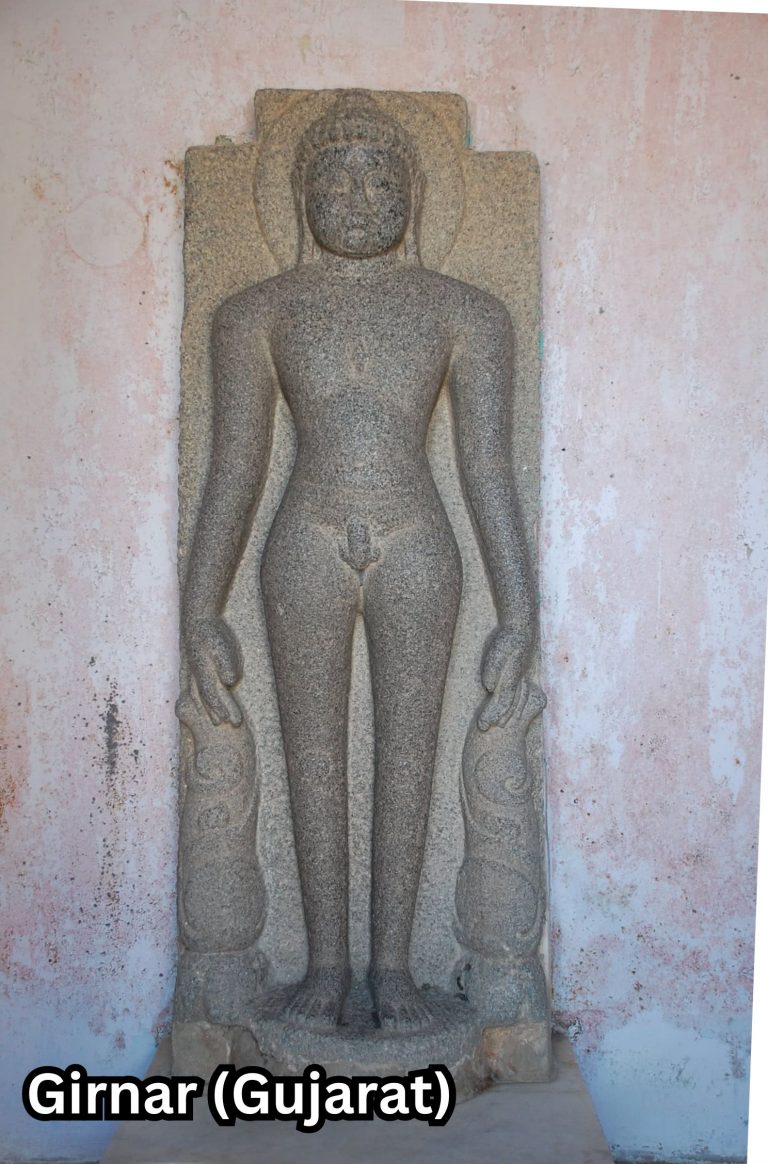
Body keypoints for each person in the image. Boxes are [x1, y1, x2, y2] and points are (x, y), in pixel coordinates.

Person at [182, 92, 534, 1030]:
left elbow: (488, 472)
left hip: (418, 544)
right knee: (313, 759)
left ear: (415, 195)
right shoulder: (257, 313)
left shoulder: (466, 313)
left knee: (407, 755)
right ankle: (327, 968)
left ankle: (396, 970)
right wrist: (201, 606)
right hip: (305, 541)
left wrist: (519, 610)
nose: (361, 195)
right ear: (301, 196)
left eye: (382, 177)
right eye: (336, 176)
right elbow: (235, 469)